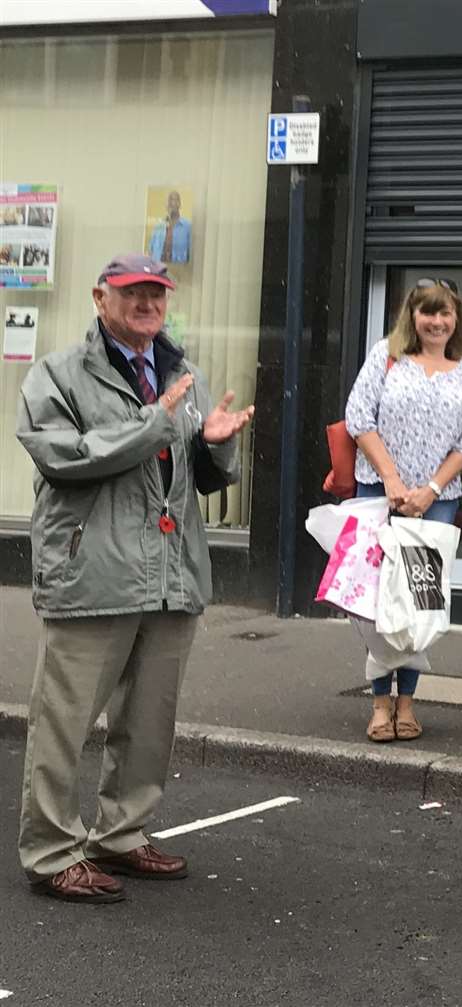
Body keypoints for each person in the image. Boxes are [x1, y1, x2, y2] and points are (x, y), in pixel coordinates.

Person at [15, 253, 253, 903]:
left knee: (150, 720)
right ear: (100, 298)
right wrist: (156, 425)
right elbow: (65, 459)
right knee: (64, 720)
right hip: (92, 567)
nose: (148, 303)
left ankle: (120, 833)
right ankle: (49, 850)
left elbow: (198, 478)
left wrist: (219, 444)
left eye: (156, 293)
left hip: (172, 572)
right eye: (132, 293)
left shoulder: (181, 373)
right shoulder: (57, 374)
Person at [343, 277, 462, 743]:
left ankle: (407, 703)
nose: (436, 322)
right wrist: (391, 479)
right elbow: (358, 418)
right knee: (373, 605)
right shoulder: (385, 355)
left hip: (436, 503)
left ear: (456, 317)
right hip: (376, 492)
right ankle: (379, 702)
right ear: (412, 315)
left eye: (445, 312)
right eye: (427, 312)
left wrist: (428, 489)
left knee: (418, 604)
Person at [146, 190, 191, 265]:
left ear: (179, 204)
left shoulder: (187, 227)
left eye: (175, 200)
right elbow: (150, 251)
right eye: (170, 200)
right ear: (167, 205)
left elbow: (191, 253)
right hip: (158, 269)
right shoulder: (158, 226)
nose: (172, 203)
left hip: (179, 271)